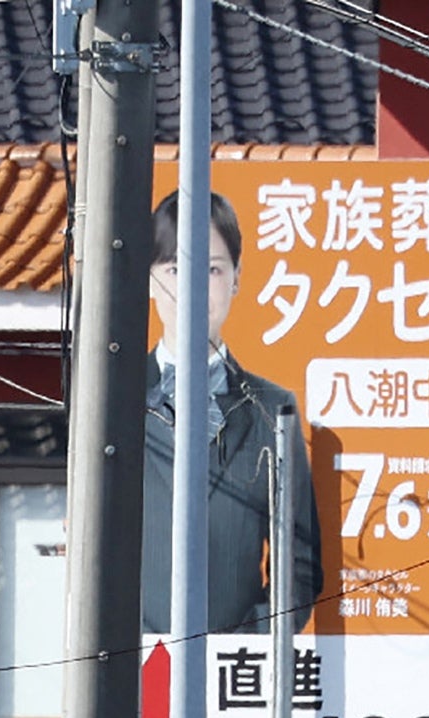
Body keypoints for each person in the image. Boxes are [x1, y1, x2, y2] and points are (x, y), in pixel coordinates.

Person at [142, 187, 322, 639]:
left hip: (236, 673)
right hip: (132, 667)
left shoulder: (273, 408)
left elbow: (300, 564)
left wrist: (252, 641)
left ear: (237, 278)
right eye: (176, 269)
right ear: (150, 279)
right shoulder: (113, 402)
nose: (193, 287)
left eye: (212, 269)